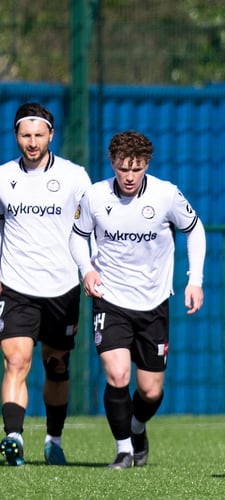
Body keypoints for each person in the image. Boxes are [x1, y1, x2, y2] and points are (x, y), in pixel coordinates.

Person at [69, 130, 206, 469]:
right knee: (117, 375)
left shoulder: (165, 194)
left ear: (146, 164)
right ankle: (124, 450)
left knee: (150, 391)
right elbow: (77, 237)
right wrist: (86, 269)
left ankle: (137, 426)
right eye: (123, 169)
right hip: (110, 298)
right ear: (112, 163)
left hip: (154, 300)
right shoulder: (95, 196)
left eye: (137, 168)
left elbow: (195, 229)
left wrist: (195, 281)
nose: (129, 177)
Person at [0, 103, 92, 466]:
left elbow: (90, 228)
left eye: (39, 135)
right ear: (16, 136)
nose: (32, 142)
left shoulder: (75, 177)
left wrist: (91, 270)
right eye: (26, 135)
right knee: (16, 361)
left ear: (51, 135)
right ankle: (13, 438)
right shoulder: (4, 176)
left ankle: (53, 440)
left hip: (63, 288)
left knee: (56, 364)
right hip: (17, 286)